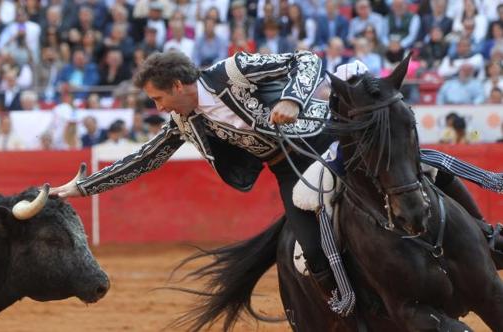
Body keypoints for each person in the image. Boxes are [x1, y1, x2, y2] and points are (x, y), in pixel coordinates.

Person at [51, 51, 503, 306]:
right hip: (288, 167)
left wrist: (290, 99)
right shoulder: (184, 123)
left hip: (329, 135)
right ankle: (345, 305)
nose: (158, 108)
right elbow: (141, 160)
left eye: (157, 99)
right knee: (309, 247)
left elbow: (306, 61)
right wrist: (79, 188)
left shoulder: (233, 71)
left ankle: (486, 236)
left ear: (177, 85)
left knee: (418, 168)